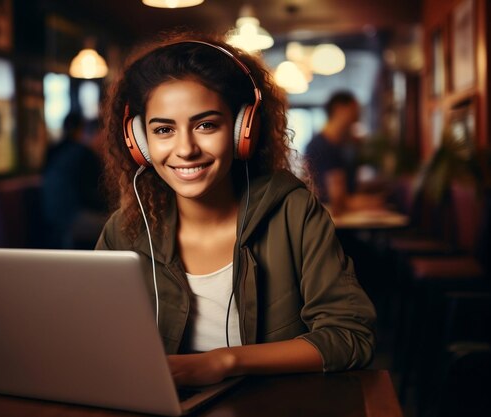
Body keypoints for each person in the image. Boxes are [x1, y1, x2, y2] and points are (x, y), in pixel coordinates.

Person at [96, 33, 376, 387]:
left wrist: (224, 362)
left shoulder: (293, 211)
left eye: (206, 125)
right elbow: (99, 346)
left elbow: (351, 337)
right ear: (139, 143)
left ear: (244, 130)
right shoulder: (126, 230)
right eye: (164, 129)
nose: (185, 149)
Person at [304, 91, 383, 214]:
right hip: (329, 222)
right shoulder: (322, 146)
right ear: (340, 109)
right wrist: (372, 202)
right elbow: (338, 200)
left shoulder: (342, 144)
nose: (358, 115)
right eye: (354, 109)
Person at [41, 112, 107, 249]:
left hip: (49, 215)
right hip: (71, 218)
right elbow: (93, 195)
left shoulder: (56, 150)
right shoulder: (84, 154)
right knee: (117, 227)